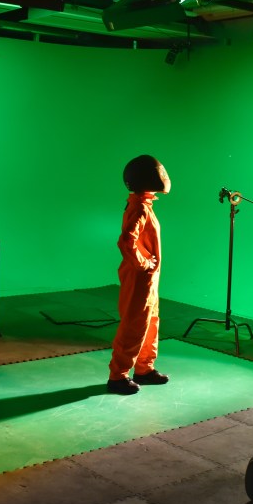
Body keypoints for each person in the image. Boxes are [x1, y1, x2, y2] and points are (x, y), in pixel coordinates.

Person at [107, 155, 171, 395]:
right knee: (134, 325)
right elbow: (126, 241)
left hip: (148, 279)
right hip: (139, 278)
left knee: (150, 322)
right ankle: (118, 376)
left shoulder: (144, 206)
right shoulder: (139, 208)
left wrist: (147, 267)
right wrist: (143, 264)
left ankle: (144, 369)